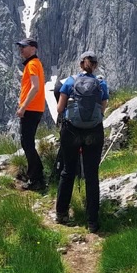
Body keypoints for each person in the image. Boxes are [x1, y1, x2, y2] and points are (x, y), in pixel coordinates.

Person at [55, 51, 109, 233]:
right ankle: (93, 221)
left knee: (67, 171)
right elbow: (102, 110)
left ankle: (61, 214)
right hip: (94, 132)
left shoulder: (70, 82)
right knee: (92, 175)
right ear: (95, 65)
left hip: (71, 131)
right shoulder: (101, 84)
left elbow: (60, 108)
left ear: (81, 64)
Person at [15, 37, 46, 191]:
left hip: (31, 109)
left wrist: (23, 107)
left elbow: (35, 87)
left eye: (24, 47)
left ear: (33, 48)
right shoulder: (35, 63)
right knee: (28, 143)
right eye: (20, 47)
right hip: (35, 108)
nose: (21, 49)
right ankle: (38, 175)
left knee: (27, 143)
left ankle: (36, 179)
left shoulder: (32, 64)